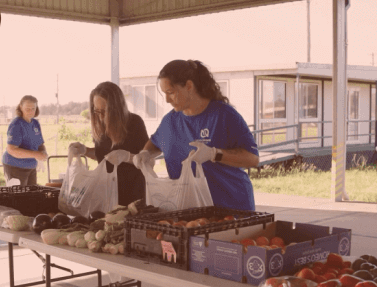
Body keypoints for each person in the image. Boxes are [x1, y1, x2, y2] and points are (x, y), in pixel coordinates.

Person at [134, 59, 260, 211]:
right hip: (189, 212)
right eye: (164, 94)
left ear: (189, 86)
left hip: (230, 208)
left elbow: (252, 159)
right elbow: (155, 143)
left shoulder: (224, 116)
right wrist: (145, 154)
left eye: (171, 92)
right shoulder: (170, 122)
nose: (167, 100)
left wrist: (215, 153)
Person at [69, 81, 149, 204]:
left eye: (105, 111)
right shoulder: (100, 127)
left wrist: (127, 157)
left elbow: (147, 161)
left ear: (117, 108)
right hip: (107, 192)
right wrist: (85, 151)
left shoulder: (134, 123)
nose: (100, 117)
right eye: (97, 111)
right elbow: (103, 155)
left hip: (133, 194)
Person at [2, 95, 48, 185]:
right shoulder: (16, 124)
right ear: (21, 107)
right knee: (18, 197)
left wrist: (43, 153)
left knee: (31, 196)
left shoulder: (35, 123)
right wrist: (35, 154)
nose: (30, 111)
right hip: (14, 166)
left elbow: (40, 144)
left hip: (31, 166)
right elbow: (11, 149)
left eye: (33, 109)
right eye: (27, 109)